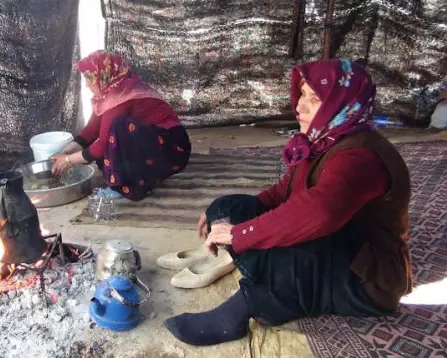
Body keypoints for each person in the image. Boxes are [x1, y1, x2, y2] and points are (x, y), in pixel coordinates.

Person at [164, 59, 413, 346]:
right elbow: (284, 192)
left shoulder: (361, 156)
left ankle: (243, 309)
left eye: (315, 98)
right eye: (303, 94)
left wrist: (240, 234)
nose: (300, 106)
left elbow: (319, 212)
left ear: (342, 102)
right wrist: (225, 216)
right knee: (231, 208)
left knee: (297, 244)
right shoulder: (325, 140)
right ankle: (268, 274)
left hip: (368, 280)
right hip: (339, 248)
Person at [51, 50, 191, 200]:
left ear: (103, 75)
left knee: (118, 128)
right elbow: (92, 130)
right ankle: (131, 178)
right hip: (153, 140)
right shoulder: (110, 92)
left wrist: (68, 161)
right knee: (110, 145)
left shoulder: (120, 96)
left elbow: (101, 146)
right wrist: (65, 151)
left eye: (90, 79)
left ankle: (125, 187)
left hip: (172, 147)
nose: (87, 85)